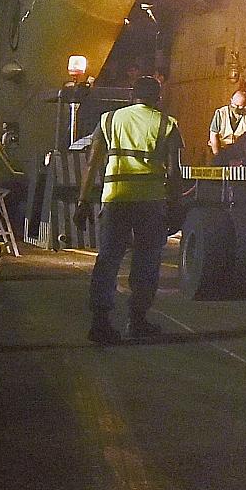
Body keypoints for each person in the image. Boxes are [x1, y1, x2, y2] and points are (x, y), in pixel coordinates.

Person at [75, 75, 183, 345]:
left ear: (131, 95)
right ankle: (137, 321)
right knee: (146, 261)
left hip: (115, 199)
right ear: (158, 98)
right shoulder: (166, 124)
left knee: (108, 260)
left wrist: (83, 201)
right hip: (150, 203)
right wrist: (176, 205)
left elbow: (92, 163)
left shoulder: (109, 120)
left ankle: (100, 324)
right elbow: (174, 171)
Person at [208, 88, 246, 166]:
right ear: (231, 100)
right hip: (222, 148)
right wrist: (216, 154)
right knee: (218, 162)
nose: (237, 109)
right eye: (235, 105)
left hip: (238, 147)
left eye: (241, 106)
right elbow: (213, 135)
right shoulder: (220, 113)